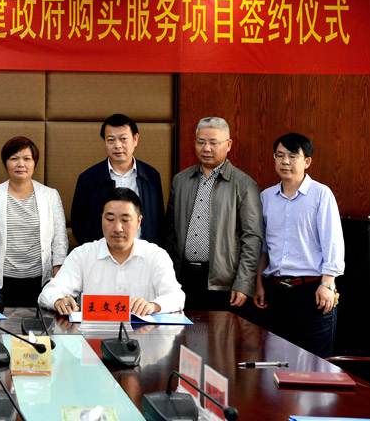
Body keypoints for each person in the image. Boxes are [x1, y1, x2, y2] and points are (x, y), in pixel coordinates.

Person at [254, 133, 344, 358]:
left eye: (293, 156)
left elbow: (333, 242)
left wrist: (328, 284)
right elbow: (263, 248)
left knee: (314, 364)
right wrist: (259, 284)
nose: (285, 161)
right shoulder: (266, 197)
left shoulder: (321, 194)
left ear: (307, 161)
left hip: (312, 291)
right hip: (276, 293)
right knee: (276, 361)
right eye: (279, 155)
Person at [160, 117, 263, 311]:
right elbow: (169, 234)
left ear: (228, 145)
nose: (206, 148)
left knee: (219, 331)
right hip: (182, 278)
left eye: (213, 143)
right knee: (182, 329)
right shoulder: (180, 181)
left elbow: (252, 238)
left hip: (223, 282)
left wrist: (243, 283)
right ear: (194, 143)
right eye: (201, 142)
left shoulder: (244, 184)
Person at [39, 187, 185, 316]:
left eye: (125, 220)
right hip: (94, 336)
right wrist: (58, 301)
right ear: (101, 219)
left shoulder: (156, 255)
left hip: (142, 335)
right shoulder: (82, 255)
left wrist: (153, 306)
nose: (117, 228)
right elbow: (48, 293)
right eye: (110, 219)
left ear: (139, 221)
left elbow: (176, 296)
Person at [0, 136, 68, 307]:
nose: (21, 164)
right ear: (5, 163)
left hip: (41, 280)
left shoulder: (50, 195)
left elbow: (60, 239)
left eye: (27, 159)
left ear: (34, 163)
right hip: (2, 281)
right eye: (14, 158)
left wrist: (57, 274)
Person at [71, 113, 163, 245]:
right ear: (104, 142)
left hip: (143, 253)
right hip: (101, 254)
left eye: (123, 139)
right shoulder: (87, 179)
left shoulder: (151, 176)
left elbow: (158, 222)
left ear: (135, 139)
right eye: (111, 140)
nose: (117, 145)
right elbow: (78, 225)